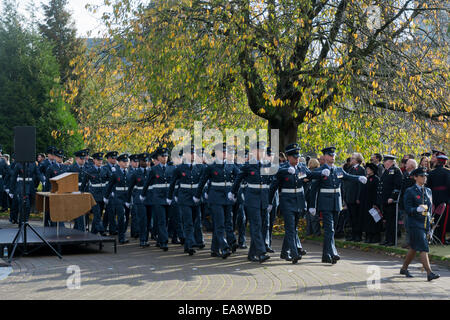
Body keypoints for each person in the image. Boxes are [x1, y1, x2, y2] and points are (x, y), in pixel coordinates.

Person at [269, 143, 329, 264]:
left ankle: (284, 252)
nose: (297, 159)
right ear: (288, 157)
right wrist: (269, 202)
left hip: (299, 201)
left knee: (293, 228)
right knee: (290, 228)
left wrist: (321, 173)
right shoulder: (283, 168)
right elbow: (274, 185)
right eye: (294, 157)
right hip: (287, 201)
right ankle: (294, 253)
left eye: (298, 157)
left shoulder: (301, 167)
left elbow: (310, 174)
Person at [309, 147, 367, 264]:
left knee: (332, 230)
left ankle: (326, 255)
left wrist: (359, 178)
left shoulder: (338, 170)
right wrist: (312, 205)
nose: (332, 157)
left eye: (334, 155)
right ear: (325, 157)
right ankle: (333, 252)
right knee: (329, 229)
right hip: (325, 203)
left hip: (336, 203)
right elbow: (313, 189)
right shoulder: (320, 170)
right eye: (330, 155)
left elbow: (348, 177)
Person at [194, 143, 240, 259]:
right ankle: (224, 247)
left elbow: (240, 176)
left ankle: (214, 250)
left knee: (228, 223)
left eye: (226, 152)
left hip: (228, 198)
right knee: (219, 224)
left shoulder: (231, 166)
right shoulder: (211, 167)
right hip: (215, 198)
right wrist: (198, 195)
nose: (225, 154)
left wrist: (235, 193)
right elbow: (202, 182)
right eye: (223, 151)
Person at [229, 141, 271, 263]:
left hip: (263, 198)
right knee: (256, 225)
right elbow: (238, 179)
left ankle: (252, 253)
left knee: (262, 226)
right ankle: (261, 252)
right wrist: (233, 192)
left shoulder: (267, 165)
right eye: (259, 150)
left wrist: (270, 201)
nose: (262, 153)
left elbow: (271, 181)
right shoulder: (248, 165)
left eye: (263, 150)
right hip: (252, 198)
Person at [400, 167, 440, 281]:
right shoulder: (410, 191)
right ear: (415, 177)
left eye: (425, 176)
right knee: (423, 247)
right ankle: (429, 273)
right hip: (414, 223)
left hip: (425, 223)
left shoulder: (428, 190)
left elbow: (430, 209)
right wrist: (417, 209)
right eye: (422, 176)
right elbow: (407, 209)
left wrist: (431, 224)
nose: (424, 178)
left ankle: (404, 268)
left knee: (413, 248)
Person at [167, 145, 204, 255]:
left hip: (196, 198)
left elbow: (203, 182)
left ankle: (188, 246)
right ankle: (191, 243)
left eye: (194, 153)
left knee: (195, 221)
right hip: (184, 198)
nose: (193, 155)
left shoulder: (200, 167)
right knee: (188, 222)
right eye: (191, 153)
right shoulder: (179, 168)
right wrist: (170, 197)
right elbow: (173, 183)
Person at [140, 147, 175, 251]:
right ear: (158, 158)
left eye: (166, 156)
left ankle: (160, 239)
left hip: (168, 198)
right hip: (158, 198)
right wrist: (143, 194)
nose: (164, 158)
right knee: (161, 220)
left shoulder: (171, 169)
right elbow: (147, 183)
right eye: (162, 156)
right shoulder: (154, 170)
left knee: (168, 220)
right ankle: (164, 242)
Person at [104, 153, 130, 244]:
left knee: (126, 217)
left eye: (127, 161)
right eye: (124, 162)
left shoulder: (130, 172)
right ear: (119, 163)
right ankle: (121, 237)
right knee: (121, 217)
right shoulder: (115, 173)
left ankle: (122, 233)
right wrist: (106, 197)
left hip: (127, 198)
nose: (126, 163)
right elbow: (110, 186)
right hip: (118, 197)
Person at [377, 155, 403, 246]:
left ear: (391, 162)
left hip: (391, 201)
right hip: (385, 200)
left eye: (386, 161)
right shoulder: (387, 171)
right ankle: (387, 239)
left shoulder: (396, 171)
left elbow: (398, 186)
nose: (384, 163)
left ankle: (391, 240)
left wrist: (393, 197)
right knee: (387, 221)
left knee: (392, 221)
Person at [80, 152, 107, 236]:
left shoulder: (104, 170)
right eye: (98, 160)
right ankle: (101, 230)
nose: (100, 162)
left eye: (101, 160)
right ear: (94, 160)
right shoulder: (89, 171)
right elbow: (84, 183)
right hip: (94, 195)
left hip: (102, 195)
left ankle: (93, 233)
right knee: (97, 213)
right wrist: (81, 193)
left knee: (98, 215)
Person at [427, 154, 449, 245]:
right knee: (443, 220)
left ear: (437, 161)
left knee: (433, 219)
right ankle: (441, 239)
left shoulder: (431, 172)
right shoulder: (448, 172)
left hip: (433, 198)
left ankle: (432, 237)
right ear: (445, 162)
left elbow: (428, 186)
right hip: (445, 198)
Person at [343, 153, 366, 242]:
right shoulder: (350, 169)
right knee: (351, 217)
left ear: (357, 160)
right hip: (349, 196)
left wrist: (358, 197)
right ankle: (352, 234)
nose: (351, 160)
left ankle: (358, 235)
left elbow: (360, 185)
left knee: (357, 217)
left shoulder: (360, 169)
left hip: (355, 197)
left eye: (353, 158)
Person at [67, 149, 89, 231]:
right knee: (78, 212)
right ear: (76, 159)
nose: (83, 160)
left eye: (84, 158)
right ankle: (80, 229)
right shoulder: (71, 168)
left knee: (85, 212)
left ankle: (79, 229)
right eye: (81, 159)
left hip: (85, 192)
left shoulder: (87, 167)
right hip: (75, 191)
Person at [361, 163, 381, 243]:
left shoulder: (376, 179)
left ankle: (375, 236)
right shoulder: (367, 178)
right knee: (367, 219)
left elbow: (376, 192)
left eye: (368, 169)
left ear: (372, 170)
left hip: (373, 202)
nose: (367, 170)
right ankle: (368, 235)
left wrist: (375, 203)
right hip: (366, 202)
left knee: (374, 219)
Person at [102, 151, 119, 235]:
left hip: (117, 192)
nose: (115, 159)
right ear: (108, 159)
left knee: (111, 211)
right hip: (109, 192)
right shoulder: (105, 168)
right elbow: (106, 182)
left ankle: (104, 227)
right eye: (113, 158)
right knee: (111, 210)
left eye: (116, 158)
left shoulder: (118, 167)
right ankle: (112, 229)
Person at [305, 158, 321, 236]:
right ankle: (315, 232)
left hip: (309, 194)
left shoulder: (310, 172)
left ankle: (310, 231)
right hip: (314, 194)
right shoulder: (318, 171)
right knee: (313, 214)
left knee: (310, 214)